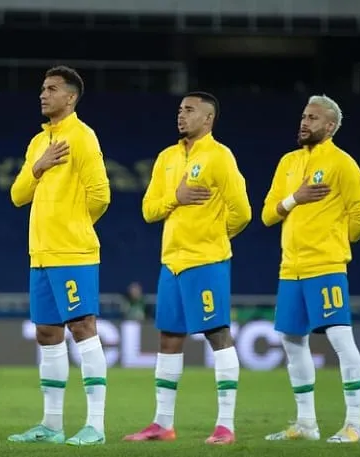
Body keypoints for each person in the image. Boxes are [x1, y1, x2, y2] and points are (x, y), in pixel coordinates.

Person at [124, 92, 251, 445]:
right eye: (180, 110)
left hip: (206, 262)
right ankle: (162, 424)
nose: (181, 115)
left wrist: (212, 236)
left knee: (217, 334)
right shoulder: (166, 158)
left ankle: (225, 425)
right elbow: (150, 210)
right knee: (168, 338)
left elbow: (242, 212)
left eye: (190, 110)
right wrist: (175, 199)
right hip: (172, 263)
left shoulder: (220, 156)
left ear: (208, 119)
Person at [7, 66, 111, 446]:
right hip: (41, 253)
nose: (43, 94)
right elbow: (18, 195)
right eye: (42, 88)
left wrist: (74, 225)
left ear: (70, 97)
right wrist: (38, 167)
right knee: (46, 333)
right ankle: (52, 425)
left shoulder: (83, 137)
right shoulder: (39, 143)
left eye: (51, 89)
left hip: (73, 250)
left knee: (82, 327)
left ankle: (95, 426)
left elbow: (100, 194)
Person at [262, 94, 360, 444]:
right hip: (289, 268)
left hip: (325, 265)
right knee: (292, 341)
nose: (304, 122)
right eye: (304, 116)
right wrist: (296, 198)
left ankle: (354, 424)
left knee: (340, 338)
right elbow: (267, 214)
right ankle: (306, 424)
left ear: (330, 126)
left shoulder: (343, 164)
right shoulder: (288, 163)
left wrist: (333, 242)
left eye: (313, 118)